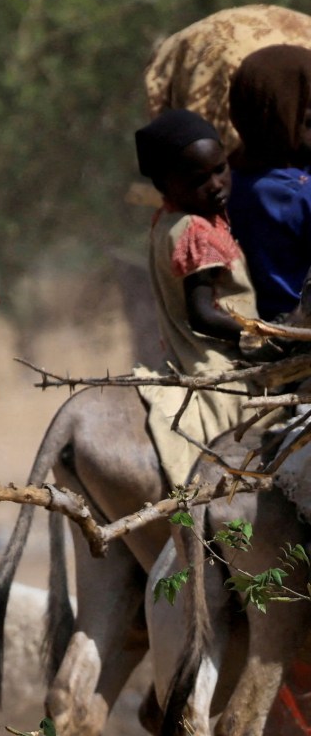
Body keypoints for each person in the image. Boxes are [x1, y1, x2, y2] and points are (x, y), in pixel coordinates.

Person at [133, 109, 262, 487]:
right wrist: (258, 336)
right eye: (198, 180)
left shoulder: (169, 220)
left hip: (182, 354)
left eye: (220, 169)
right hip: (218, 361)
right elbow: (201, 313)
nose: (216, 185)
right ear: (165, 184)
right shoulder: (196, 230)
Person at [227, 45, 311, 320]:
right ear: (287, 116)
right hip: (299, 326)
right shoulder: (297, 193)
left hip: (260, 324)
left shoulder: (227, 177)